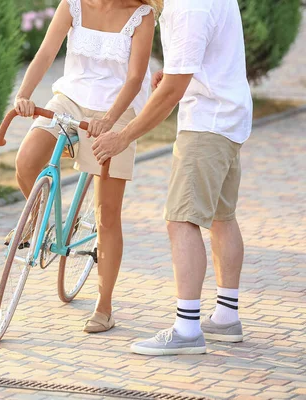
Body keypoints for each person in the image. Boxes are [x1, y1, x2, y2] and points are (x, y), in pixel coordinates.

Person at [91, 0, 253, 355]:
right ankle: (226, 319)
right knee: (222, 218)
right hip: (228, 115)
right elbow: (202, 57)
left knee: (181, 220)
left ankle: (187, 328)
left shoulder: (187, 7)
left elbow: (170, 94)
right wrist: (177, 72)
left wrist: (123, 136)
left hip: (207, 125)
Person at [8, 0, 159, 333]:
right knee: (27, 160)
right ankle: (45, 221)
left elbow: (135, 78)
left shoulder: (142, 16)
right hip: (69, 99)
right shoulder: (72, 4)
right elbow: (46, 54)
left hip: (116, 111)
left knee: (107, 213)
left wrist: (109, 120)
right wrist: (24, 95)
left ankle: (104, 307)